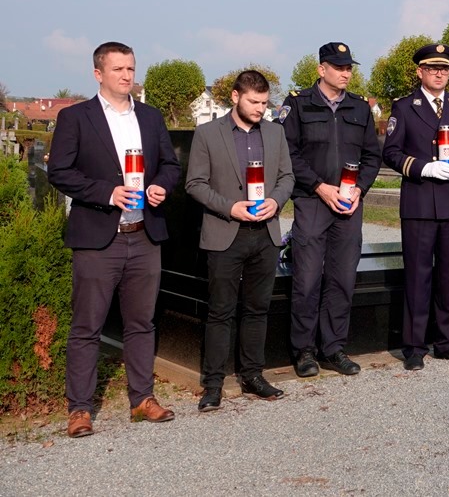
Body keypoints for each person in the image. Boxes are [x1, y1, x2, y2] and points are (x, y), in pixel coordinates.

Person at [48, 41, 181, 438]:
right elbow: (60, 172)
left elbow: (171, 165)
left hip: (144, 234)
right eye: (119, 69)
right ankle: (80, 409)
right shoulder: (75, 118)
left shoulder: (152, 117)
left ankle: (142, 400)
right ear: (98, 74)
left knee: (141, 323)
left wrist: (160, 186)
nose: (127, 75)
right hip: (98, 238)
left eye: (131, 68)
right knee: (87, 326)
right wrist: (109, 192)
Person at [186, 70, 295, 411]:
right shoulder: (207, 134)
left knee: (258, 309)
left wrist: (276, 202)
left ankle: (253, 374)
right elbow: (195, 184)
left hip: (264, 233)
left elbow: (287, 176)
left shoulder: (276, 133)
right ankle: (213, 384)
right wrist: (231, 207)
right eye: (253, 102)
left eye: (264, 102)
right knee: (220, 311)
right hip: (225, 233)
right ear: (235, 97)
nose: (260, 108)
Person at [279, 42, 382, 377]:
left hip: (349, 204)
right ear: (321, 69)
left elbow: (372, 156)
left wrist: (359, 189)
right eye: (339, 67)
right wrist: (320, 187)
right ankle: (304, 351)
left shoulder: (359, 108)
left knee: (342, 279)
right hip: (312, 201)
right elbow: (288, 153)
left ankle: (334, 348)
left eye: (349, 67)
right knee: (307, 280)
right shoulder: (298, 104)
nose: (346, 73)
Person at [382, 43, 449, 370]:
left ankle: (447, 341)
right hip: (420, 202)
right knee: (417, 276)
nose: (440, 73)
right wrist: (422, 167)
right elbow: (391, 152)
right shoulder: (404, 107)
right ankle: (413, 346)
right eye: (432, 68)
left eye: (445, 69)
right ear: (420, 72)